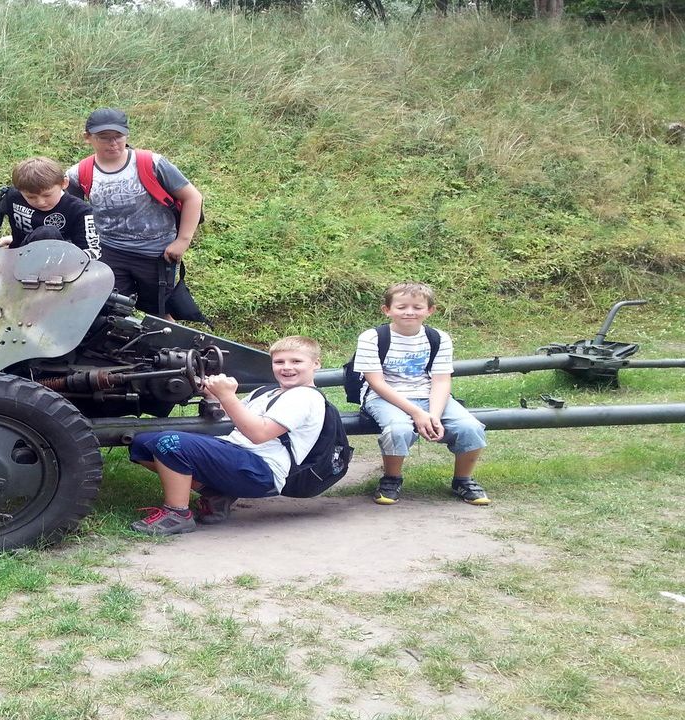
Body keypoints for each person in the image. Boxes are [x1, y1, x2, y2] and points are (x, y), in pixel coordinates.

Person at [126, 336, 328, 535]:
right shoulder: (267, 392)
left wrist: (227, 395)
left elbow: (259, 434)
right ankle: (216, 495)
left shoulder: (305, 397)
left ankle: (177, 514)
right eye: (279, 362)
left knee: (170, 443)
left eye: (296, 361)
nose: (287, 367)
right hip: (237, 454)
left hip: (261, 470)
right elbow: (234, 417)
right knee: (142, 443)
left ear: (316, 363)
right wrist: (214, 394)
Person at [354, 281, 490, 506]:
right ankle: (392, 479)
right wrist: (417, 413)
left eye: (417, 307)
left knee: (470, 427)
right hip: (384, 396)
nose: (409, 312)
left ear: (430, 310)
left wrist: (433, 415)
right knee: (398, 428)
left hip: (428, 394)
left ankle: (463, 480)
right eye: (401, 307)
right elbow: (376, 382)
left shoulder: (439, 337)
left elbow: (441, 380)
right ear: (387, 310)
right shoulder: (372, 337)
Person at [65, 108, 205, 319]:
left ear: (127, 135)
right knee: (112, 310)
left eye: (118, 136)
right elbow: (72, 212)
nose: (113, 143)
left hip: (156, 253)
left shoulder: (152, 163)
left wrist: (182, 241)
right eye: (104, 137)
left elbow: (192, 197)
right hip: (109, 251)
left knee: (159, 312)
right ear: (87, 137)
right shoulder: (79, 173)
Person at [0, 157, 100, 258]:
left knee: (47, 233)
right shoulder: (13, 196)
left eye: (47, 195)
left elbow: (92, 253)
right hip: (17, 257)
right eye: (31, 197)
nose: (40, 202)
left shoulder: (80, 211)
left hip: (61, 262)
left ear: (64, 183)